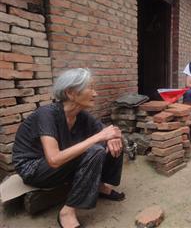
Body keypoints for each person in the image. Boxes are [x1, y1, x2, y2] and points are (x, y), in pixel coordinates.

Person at [12, 68, 125, 228]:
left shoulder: (81, 115)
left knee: (115, 140)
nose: (95, 93)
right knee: (96, 149)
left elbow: (109, 131)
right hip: (34, 167)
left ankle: (99, 185)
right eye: (90, 88)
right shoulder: (46, 115)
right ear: (71, 93)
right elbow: (54, 160)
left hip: (58, 164)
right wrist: (100, 137)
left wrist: (114, 136)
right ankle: (67, 212)